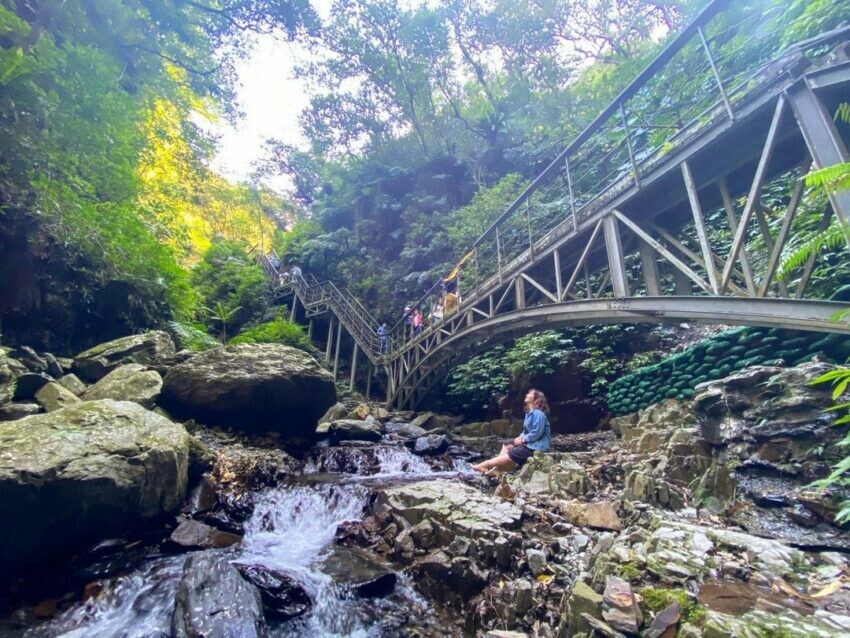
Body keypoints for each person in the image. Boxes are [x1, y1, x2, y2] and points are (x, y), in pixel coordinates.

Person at [472, 389, 551, 475]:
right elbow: (526, 431)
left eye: (530, 394)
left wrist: (523, 440)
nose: (527, 395)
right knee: (507, 444)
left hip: (537, 447)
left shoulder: (539, 414)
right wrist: (519, 438)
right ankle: (497, 469)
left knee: (512, 453)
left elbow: (537, 433)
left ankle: (484, 465)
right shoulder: (529, 414)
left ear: (536, 399)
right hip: (529, 443)